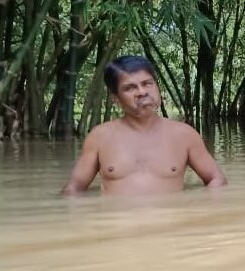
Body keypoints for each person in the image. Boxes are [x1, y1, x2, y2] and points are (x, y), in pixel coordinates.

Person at [62, 56, 227, 195]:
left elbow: (216, 179)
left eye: (147, 83)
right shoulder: (100, 137)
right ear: (115, 98)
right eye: (129, 88)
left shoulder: (184, 135)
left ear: (157, 87)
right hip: (117, 227)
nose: (142, 92)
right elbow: (74, 189)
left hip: (171, 226)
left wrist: (204, 211)